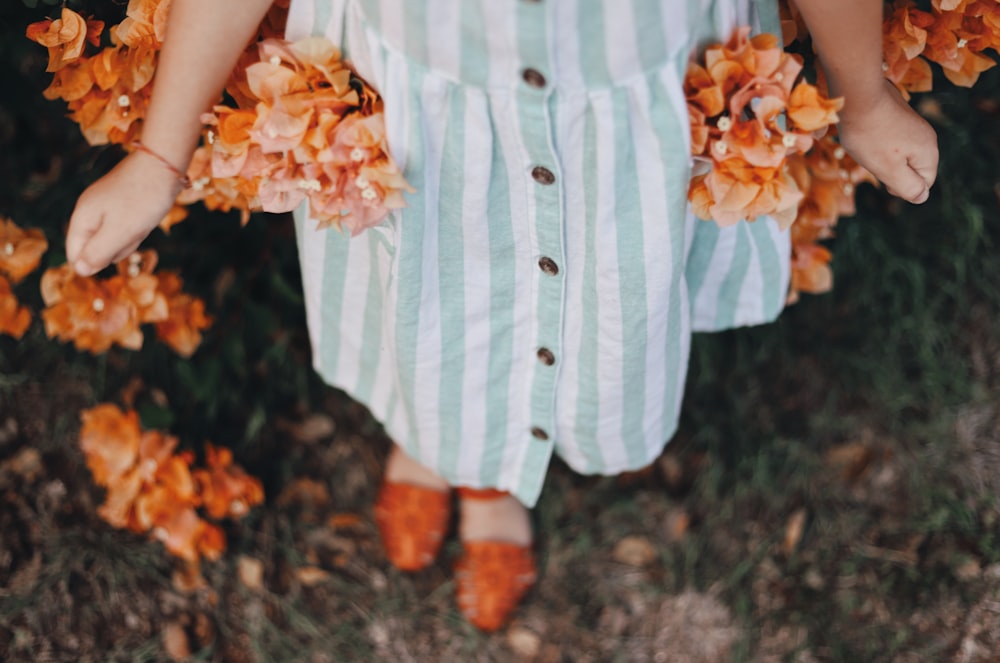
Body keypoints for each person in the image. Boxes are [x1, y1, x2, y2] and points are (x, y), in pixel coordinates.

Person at [65, 0, 938, 632]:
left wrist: (865, 97)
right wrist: (157, 154)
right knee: (422, 294)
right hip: (421, 117)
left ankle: (491, 489)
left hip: (629, 120)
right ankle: (437, 446)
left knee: (595, 307)